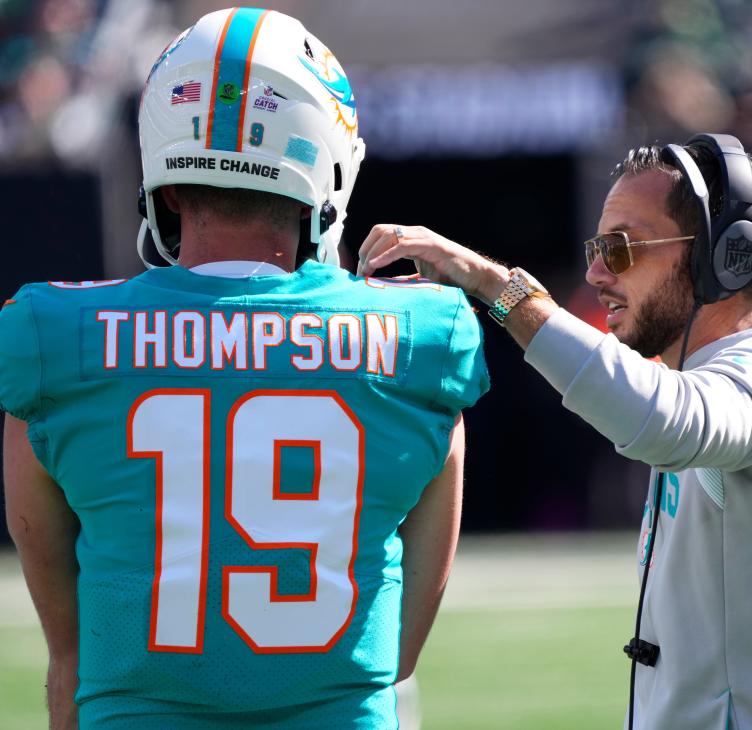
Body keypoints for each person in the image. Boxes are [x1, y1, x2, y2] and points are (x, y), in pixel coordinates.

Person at [1, 8, 488, 729]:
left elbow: (68, 655)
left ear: (164, 184)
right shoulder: (425, 334)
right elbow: (400, 657)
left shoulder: (52, 334)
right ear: (327, 173)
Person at [356, 133, 752, 729]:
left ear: (727, 255)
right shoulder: (723, 375)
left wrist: (499, 288)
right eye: (598, 246)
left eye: (623, 248)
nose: (597, 271)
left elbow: (669, 421)